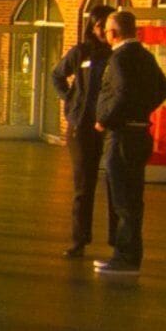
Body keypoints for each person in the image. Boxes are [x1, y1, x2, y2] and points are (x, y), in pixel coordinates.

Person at [90, 8, 166, 274]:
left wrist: (106, 118)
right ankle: (127, 255)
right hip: (140, 134)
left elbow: (123, 92)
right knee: (133, 198)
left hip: (122, 135)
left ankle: (125, 259)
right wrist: (142, 109)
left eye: (106, 31)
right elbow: (164, 88)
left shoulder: (119, 59)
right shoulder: (146, 56)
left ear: (113, 33)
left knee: (123, 201)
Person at [50, 15, 114, 258]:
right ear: (92, 26)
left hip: (110, 124)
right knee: (83, 185)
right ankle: (80, 239)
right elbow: (56, 75)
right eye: (99, 25)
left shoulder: (117, 54)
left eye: (106, 26)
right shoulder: (82, 52)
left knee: (113, 184)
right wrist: (70, 99)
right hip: (82, 126)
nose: (102, 30)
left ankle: (116, 242)